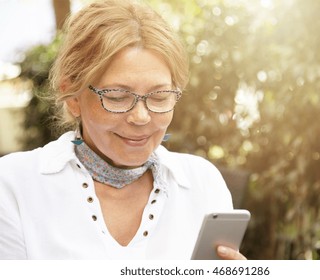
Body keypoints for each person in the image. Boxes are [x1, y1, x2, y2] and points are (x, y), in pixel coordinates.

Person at [0, 0, 246, 260]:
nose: (141, 117)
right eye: (117, 97)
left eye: (160, 97)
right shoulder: (14, 185)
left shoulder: (203, 183)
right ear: (72, 97)